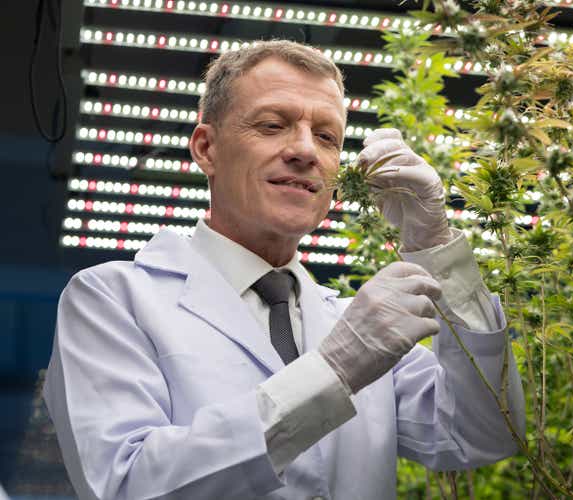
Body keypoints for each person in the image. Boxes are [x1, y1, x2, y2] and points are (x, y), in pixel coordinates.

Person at [43, 40, 525, 500]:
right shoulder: (111, 299)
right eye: (272, 125)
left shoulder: (352, 323)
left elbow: (482, 432)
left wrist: (435, 246)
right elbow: (124, 485)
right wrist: (335, 369)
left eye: (327, 136)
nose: (305, 151)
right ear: (206, 149)